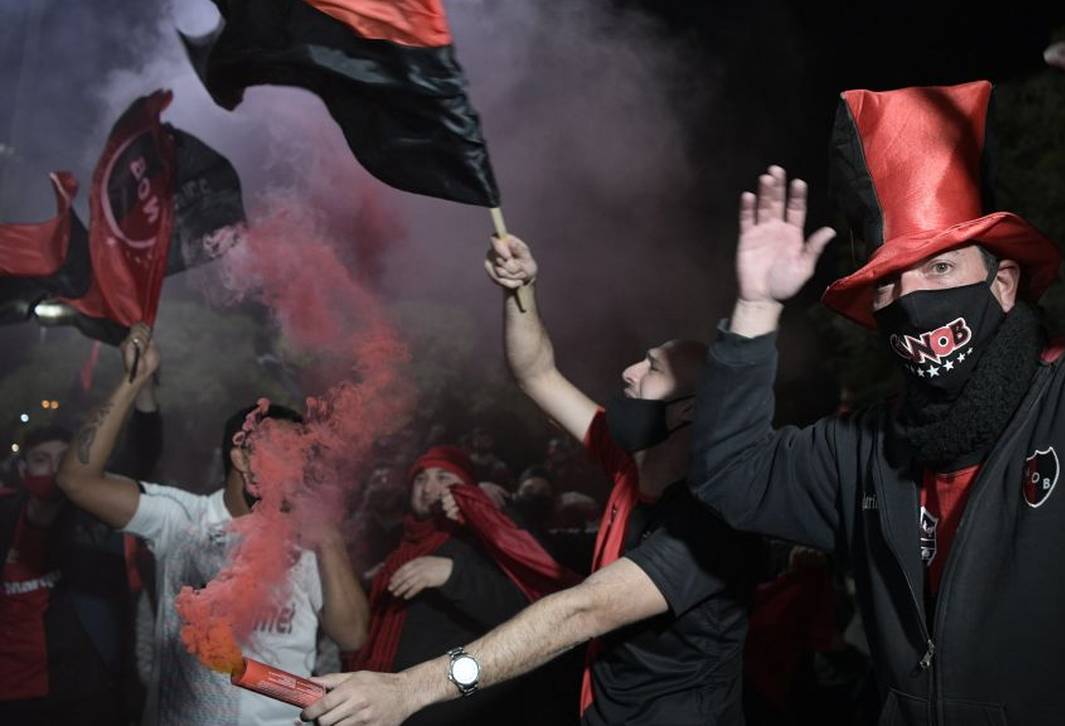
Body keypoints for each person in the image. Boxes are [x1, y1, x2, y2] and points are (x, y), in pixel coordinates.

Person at [688, 1, 1065, 724]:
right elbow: (730, 473)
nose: (912, 302)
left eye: (941, 271)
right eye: (889, 283)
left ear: (1003, 284)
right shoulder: (867, 453)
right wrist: (754, 308)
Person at [301, 236, 765, 726]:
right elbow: (536, 372)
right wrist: (520, 291)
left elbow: (582, 611)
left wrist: (412, 688)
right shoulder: (626, 461)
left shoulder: (715, 515)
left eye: (651, 367)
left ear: (690, 409)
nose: (628, 373)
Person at [55, 324, 370, 726]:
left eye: (303, 455)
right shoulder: (184, 519)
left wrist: (328, 539)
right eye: (285, 450)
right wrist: (135, 379)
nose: (299, 465)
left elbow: (353, 637)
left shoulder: (308, 543)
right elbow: (76, 480)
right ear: (241, 458)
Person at [346, 444, 582, 726]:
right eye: (421, 478)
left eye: (444, 477)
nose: (428, 486)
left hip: (460, 711)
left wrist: (452, 574)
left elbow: (528, 613)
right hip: (387, 709)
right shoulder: (402, 548)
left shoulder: (490, 538)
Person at [0, 340, 162, 725]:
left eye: (63, 461)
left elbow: (143, 452)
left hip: (84, 696)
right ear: (22, 470)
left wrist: (141, 380)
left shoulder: (92, 519)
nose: (54, 470)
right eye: (41, 460)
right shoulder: (5, 517)